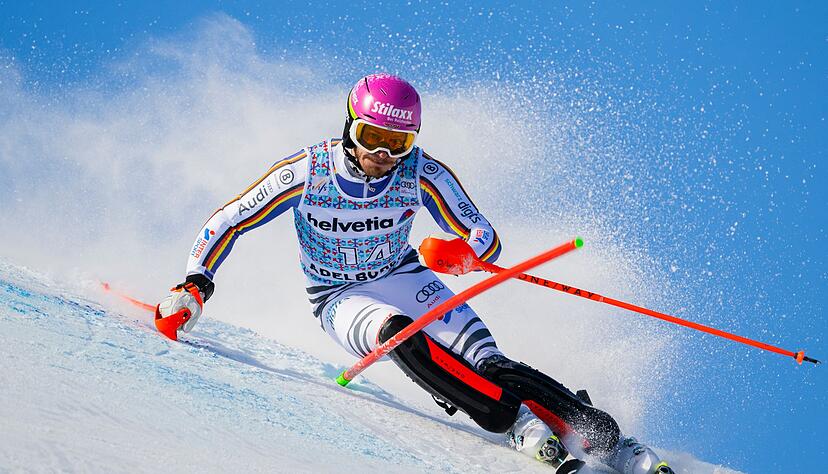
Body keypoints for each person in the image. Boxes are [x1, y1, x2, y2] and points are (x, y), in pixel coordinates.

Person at [157, 73, 674, 474]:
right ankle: (513, 422)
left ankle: (609, 440)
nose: (381, 155)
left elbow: (485, 236)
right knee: (398, 335)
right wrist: (195, 284)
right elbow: (231, 219)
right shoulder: (308, 172)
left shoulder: (422, 172)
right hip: (339, 295)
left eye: (396, 143)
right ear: (348, 127)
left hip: (403, 275)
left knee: (488, 362)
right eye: (371, 137)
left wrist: (462, 254)